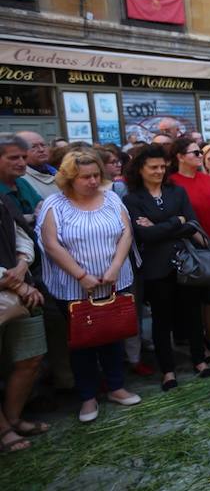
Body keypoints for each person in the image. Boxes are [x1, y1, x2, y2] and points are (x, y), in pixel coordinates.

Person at [37, 150, 142, 422]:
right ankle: (88, 397)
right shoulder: (54, 205)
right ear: (70, 178)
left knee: (113, 335)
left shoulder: (111, 198)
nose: (93, 181)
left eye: (96, 175)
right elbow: (51, 244)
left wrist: (116, 266)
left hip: (114, 281)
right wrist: (81, 275)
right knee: (81, 343)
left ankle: (116, 387)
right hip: (75, 288)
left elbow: (126, 233)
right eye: (86, 177)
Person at [123, 145, 210, 390]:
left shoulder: (177, 191)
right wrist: (176, 221)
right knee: (161, 321)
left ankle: (199, 360)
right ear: (140, 169)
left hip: (185, 262)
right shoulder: (132, 199)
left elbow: (192, 223)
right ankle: (168, 370)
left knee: (192, 314)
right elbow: (144, 234)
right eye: (153, 167)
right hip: (155, 267)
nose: (159, 171)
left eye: (163, 167)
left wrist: (161, 225)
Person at [168, 138, 210, 356]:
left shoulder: (208, 180)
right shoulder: (172, 183)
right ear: (179, 156)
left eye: (198, 153)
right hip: (191, 248)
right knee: (194, 299)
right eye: (194, 153)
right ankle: (197, 341)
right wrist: (201, 240)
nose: (199, 156)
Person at [0, 199, 48, 449]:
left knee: (30, 357)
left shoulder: (3, 199)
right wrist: (13, 280)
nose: (20, 160)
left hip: (22, 288)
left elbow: (21, 234)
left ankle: (13, 418)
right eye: (14, 156)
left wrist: (21, 265)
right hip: (15, 287)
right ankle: (3, 430)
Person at [0, 134, 42, 226]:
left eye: (24, 157)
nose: (22, 163)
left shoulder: (22, 182)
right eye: (14, 158)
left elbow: (41, 206)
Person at [19, 131, 57, 200]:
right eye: (33, 147)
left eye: (43, 145)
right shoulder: (20, 179)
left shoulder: (57, 172)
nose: (41, 150)